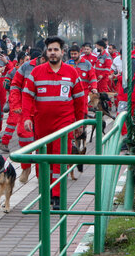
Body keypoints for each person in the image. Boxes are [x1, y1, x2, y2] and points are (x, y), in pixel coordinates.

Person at [22, 37, 87, 210]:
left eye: (56, 50)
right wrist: (27, 117)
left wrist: (80, 123)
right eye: (50, 50)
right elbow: (27, 96)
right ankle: (46, 192)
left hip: (64, 125)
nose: (53, 53)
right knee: (43, 160)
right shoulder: (36, 72)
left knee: (59, 159)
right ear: (46, 52)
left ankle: (57, 196)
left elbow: (80, 99)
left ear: (62, 52)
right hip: (42, 125)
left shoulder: (71, 72)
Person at [6, 48, 46, 183]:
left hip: (44, 110)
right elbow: (15, 85)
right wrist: (15, 104)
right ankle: (26, 167)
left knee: (43, 142)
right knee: (25, 138)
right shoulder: (26, 67)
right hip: (26, 107)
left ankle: (42, 172)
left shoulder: (56, 67)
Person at [0, 51, 29, 152]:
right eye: (27, 60)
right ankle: (4, 142)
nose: (29, 62)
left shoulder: (27, 70)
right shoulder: (13, 71)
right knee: (12, 122)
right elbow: (5, 85)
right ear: (21, 60)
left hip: (24, 100)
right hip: (15, 100)